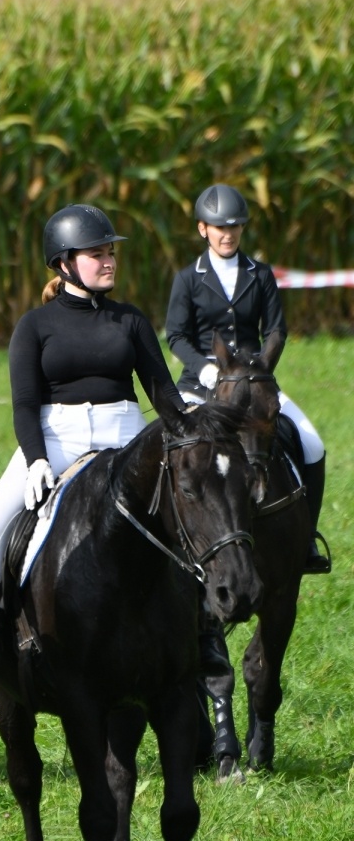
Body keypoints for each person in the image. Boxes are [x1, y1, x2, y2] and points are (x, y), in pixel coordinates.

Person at [0, 203, 191, 682]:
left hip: (126, 435)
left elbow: (162, 394)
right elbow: (25, 404)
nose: (108, 261)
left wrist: (194, 432)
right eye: (96, 254)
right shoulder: (34, 326)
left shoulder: (131, 320)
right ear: (63, 263)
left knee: (187, 516)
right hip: (56, 436)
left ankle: (203, 634)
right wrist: (36, 459)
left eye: (111, 253)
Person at [165, 183, 330, 576]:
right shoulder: (188, 278)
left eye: (236, 226)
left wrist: (261, 371)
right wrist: (207, 370)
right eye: (220, 227)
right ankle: (175, 542)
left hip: (253, 380)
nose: (229, 234)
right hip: (201, 381)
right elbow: (176, 335)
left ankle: (306, 538)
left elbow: (276, 331)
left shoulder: (260, 274)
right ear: (204, 229)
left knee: (312, 442)